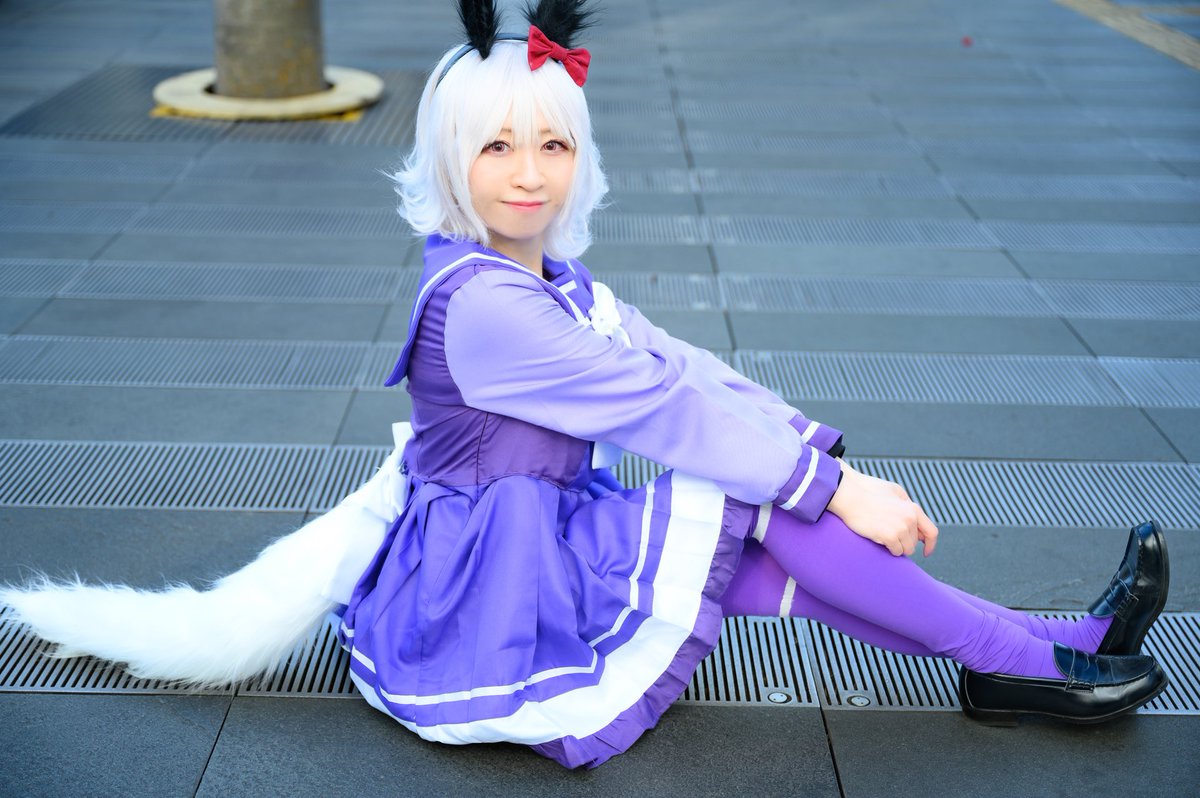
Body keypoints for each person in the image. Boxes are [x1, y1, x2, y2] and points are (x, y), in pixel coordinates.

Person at [1, 0, 1170, 770]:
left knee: (785, 559)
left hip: (543, 526)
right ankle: (1034, 660)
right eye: (497, 146)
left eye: (553, 145)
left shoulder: (538, 274)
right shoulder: (487, 308)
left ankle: (1041, 653)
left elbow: (677, 364)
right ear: (450, 158)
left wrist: (814, 455)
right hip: (490, 588)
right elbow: (663, 411)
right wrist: (831, 485)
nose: (529, 174)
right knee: (767, 516)